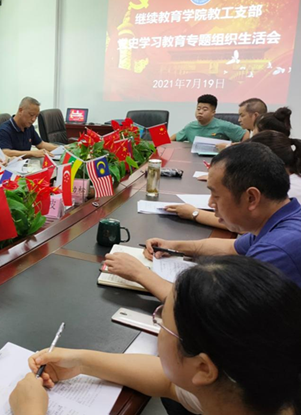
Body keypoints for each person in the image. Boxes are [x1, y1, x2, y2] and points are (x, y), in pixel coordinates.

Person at [10, 256, 301, 415]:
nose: (159, 327)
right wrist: (81, 362)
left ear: (203, 367)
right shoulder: (242, 392)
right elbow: (170, 381)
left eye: (163, 323)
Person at [104, 142, 301, 300]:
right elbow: (232, 247)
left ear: (251, 198)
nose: (210, 203)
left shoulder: (276, 251)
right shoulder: (281, 220)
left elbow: (216, 311)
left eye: (216, 195)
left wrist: (140, 274)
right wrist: (174, 246)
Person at [166, 129, 301, 227]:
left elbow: (245, 227)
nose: (211, 202)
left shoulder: (290, 190)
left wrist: (194, 214)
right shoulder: (288, 179)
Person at [170, 94, 248, 143]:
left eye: (205, 109)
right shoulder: (190, 126)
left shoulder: (223, 125)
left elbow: (245, 133)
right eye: (198, 109)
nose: (200, 112)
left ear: (213, 112)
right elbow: (176, 136)